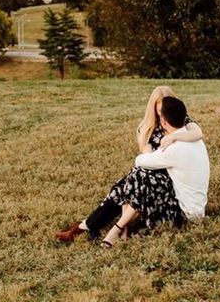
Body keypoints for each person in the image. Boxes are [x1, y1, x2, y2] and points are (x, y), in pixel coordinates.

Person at [55, 86, 204, 244]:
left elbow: (198, 133)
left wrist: (175, 137)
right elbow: (145, 156)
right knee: (123, 187)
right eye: (159, 110)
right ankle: (89, 226)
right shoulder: (146, 127)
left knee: (133, 181)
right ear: (153, 108)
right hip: (151, 171)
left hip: (169, 178)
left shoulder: (178, 119)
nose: (161, 114)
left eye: (163, 110)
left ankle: (89, 227)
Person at [99, 95, 210, 247]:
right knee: (142, 177)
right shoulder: (194, 140)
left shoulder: (174, 148)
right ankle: (122, 229)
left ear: (163, 121)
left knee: (139, 173)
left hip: (184, 214)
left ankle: (117, 228)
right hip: (195, 207)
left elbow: (140, 161)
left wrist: (147, 151)